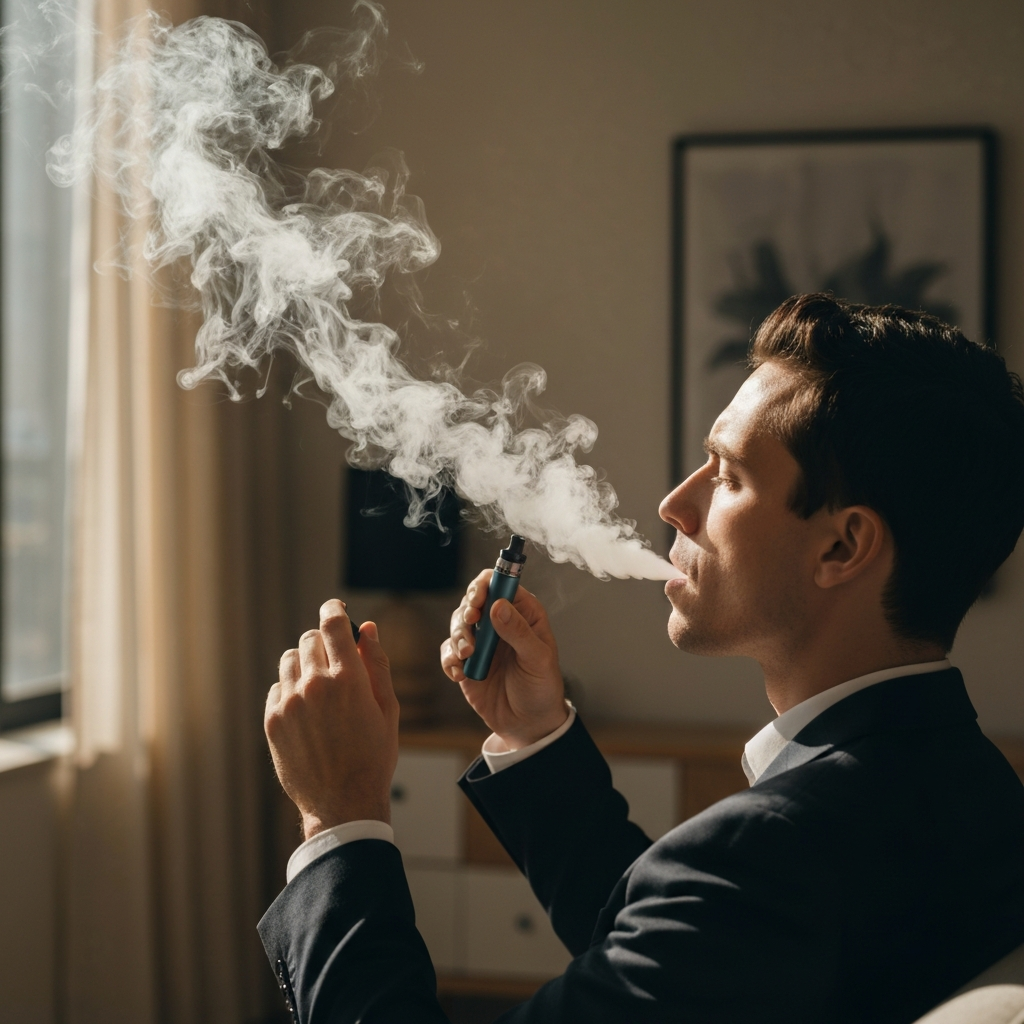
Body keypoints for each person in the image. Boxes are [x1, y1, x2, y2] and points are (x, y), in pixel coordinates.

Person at [258, 294, 1024, 1023]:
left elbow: (717, 915)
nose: (675, 505)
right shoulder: (977, 789)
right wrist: (535, 737)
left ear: (843, 545)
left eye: (728, 476)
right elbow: (688, 964)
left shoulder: (769, 854)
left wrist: (341, 817)